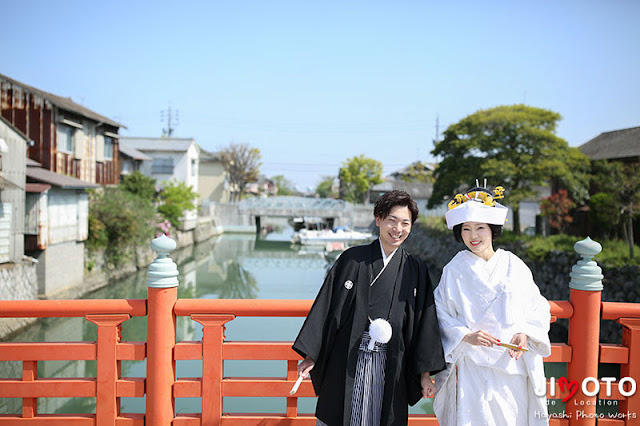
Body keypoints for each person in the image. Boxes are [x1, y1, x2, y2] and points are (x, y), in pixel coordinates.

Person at [293, 190, 446, 426]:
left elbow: (423, 324)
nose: (398, 229)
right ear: (379, 220)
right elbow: (328, 307)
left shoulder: (415, 269)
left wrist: (425, 375)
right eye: (392, 221)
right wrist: (312, 354)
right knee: (341, 414)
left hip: (391, 362)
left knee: (382, 417)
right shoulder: (352, 259)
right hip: (347, 357)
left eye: (405, 223)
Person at [432, 184, 551, 425]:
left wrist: (525, 333)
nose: (473, 235)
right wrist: (465, 335)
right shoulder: (453, 270)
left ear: (492, 230)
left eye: (480, 228)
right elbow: (441, 312)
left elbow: (537, 307)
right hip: (472, 368)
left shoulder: (514, 265)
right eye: (466, 229)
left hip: (511, 365)